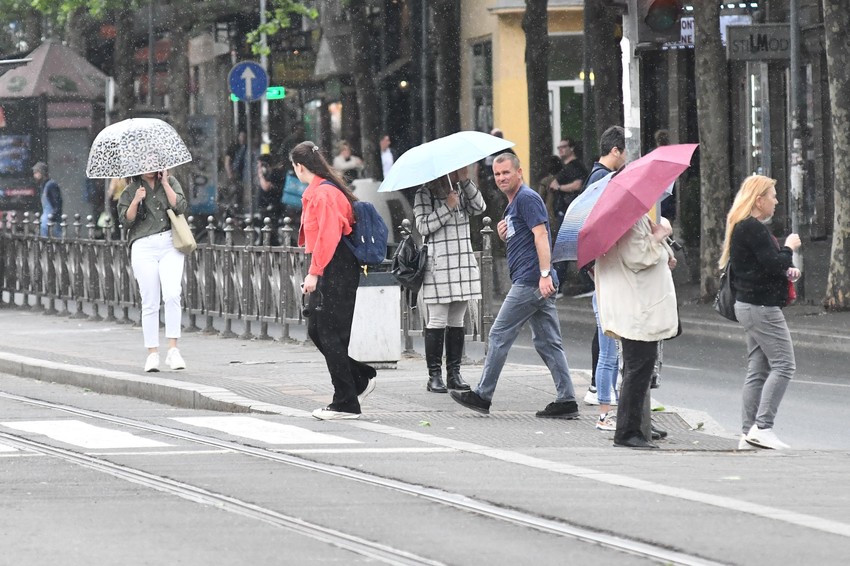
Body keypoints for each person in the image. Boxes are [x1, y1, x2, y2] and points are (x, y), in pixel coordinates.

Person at [450, 153, 579, 418]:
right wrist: (505, 233)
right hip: (534, 280)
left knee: (498, 334)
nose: (501, 178)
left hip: (531, 281)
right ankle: (567, 400)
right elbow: (525, 236)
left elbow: (541, 235)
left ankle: (483, 395)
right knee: (548, 343)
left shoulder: (527, 198)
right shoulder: (514, 203)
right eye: (497, 174)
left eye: (506, 172)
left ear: (519, 172)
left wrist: (545, 274)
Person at [291, 141, 376, 420]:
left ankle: (346, 402)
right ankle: (359, 378)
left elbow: (328, 237)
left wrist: (314, 272)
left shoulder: (324, 194)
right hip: (332, 264)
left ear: (299, 167)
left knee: (330, 333)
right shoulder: (322, 190)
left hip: (335, 265)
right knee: (318, 329)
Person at [719, 175, 801, 450]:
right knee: (784, 365)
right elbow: (773, 263)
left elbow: (761, 267)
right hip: (761, 307)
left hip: (749, 304)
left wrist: (786, 270)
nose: (776, 201)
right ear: (759, 200)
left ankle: (748, 432)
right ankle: (763, 427)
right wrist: (789, 248)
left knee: (758, 368)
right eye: (773, 196)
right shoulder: (752, 228)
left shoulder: (742, 227)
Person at [595, 212, 678, 449]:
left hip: (637, 306)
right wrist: (660, 236)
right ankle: (628, 432)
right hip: (636, 308)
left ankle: (632, 428)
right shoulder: (626, 219)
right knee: (638, 367)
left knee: (639, 367)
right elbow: (637, 256)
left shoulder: (631, 218)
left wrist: (663, 249)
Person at [414, 166, 486, 393]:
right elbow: (423, 226)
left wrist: (465, 181)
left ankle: (454, 373)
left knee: (457, 321)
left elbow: (479, 207)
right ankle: (434, 376)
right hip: (438, 265)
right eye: (455, 170)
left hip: (463, 263)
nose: (457, 172)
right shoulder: (425, 193)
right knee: (437, 321)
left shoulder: (461, 189)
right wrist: (447, 207)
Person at [118, 169, 188, 373]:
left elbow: (180, 206)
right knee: (150, 301)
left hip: (170, 243)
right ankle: (152, 353)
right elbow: (125, 221)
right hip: (143, 245)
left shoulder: (170, 182)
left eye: (154, 161)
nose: (150, 166)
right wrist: (136, 201)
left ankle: (173, 349)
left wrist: (165, 184)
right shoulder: (131, 189)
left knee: (172, 294)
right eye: (146, 162)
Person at [581, 126, 627, 407]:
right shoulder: (603, 179)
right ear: (615, 151)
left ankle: (601, 390)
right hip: (603, 263)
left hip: (598, 262)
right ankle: (602, 395)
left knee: (605, 331)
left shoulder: (597, 176)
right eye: (625, 152)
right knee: (606, 333)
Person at [256, 154, 285, 245]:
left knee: (269, 233)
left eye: (260, 165)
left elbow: (266, 187)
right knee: (266, 233)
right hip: (266, 208)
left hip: (272, 209)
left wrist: (260, 175)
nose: (259, 168)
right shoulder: (269, 174)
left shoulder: (274, 173)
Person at [32, 162, 63, 237]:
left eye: (36, 172)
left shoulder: (51, 185)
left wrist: (53, 216)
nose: (34, 175)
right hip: (46, 221)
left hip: (52, 221)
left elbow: (57, 204)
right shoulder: (43, 186)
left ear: (41, 172)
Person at [223, 130, 248, 211]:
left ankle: (238, 208)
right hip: (235, 174)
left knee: (240, 194)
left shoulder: (247, 148)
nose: (243, 139)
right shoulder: (234, 147)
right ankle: (231, 209)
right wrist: (230, 174)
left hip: (243, 175)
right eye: (242, 136)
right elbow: (227, 161)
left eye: (245, 137)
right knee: (234, 192)